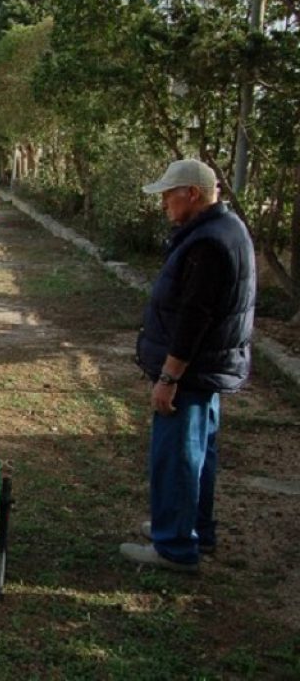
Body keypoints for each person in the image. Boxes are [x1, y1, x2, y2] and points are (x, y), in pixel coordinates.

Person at [120, 159, 255, 572]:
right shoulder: (224, 229)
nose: (163, 203)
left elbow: (194, 317)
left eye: (168, 194)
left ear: (192, 194)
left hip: (191, 374)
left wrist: (169, 377)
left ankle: (175, 546)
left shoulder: (207, 245)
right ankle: (192, 527)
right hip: (208, 369)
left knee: (178, 456)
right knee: (197, 455)